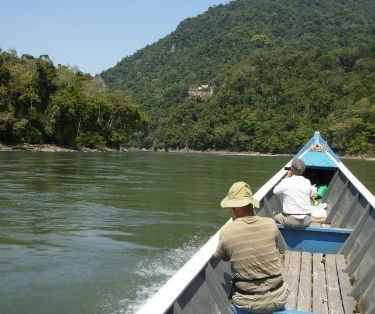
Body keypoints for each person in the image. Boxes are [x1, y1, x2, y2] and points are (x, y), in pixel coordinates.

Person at [214, 181, 288, 314]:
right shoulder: (270, 224)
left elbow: (221, 257)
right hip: (278, 299)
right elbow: (282, 250)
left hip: (247, 304)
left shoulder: (226, 231)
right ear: (251, 204)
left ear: (233, 208)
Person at [273, 158, 315, 228]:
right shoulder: (307, 181)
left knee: (275, 217)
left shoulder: (286, 181)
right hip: (307, 220)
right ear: (303, 170)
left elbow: (275, 191)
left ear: (292, 169)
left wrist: (286, 177)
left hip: (291, 221)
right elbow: (310, 193)